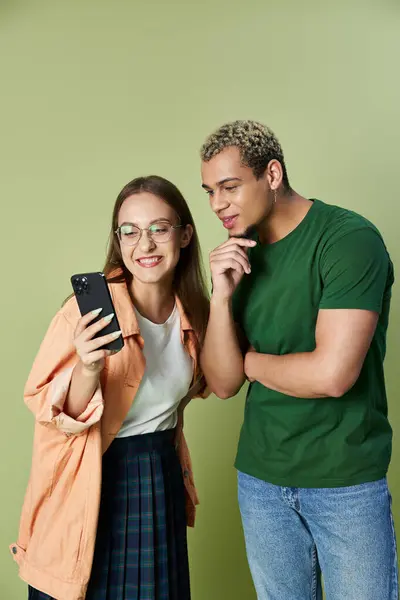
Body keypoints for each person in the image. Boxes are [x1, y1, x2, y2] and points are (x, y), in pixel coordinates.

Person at [200, 120, 398, 600]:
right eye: (209, 191)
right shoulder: (238, 256)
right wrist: (221, 298)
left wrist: (249, 362)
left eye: (229, 187)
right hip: (260, 481)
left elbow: (332, 375)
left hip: (343, 480)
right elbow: (221, 383)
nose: (217, 204)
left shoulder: (347, 240)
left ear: (272, 174)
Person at [10, 175, 209, 600]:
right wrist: (87, 366)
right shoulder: (81, 315)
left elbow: (218, 382)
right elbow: (57, 416)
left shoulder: (194, 314)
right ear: (117, 241)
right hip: (91, 477)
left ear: (185, 234)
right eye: (130, 232)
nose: (145, 245)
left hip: (158, 477)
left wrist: (227, 295)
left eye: (159, 228)